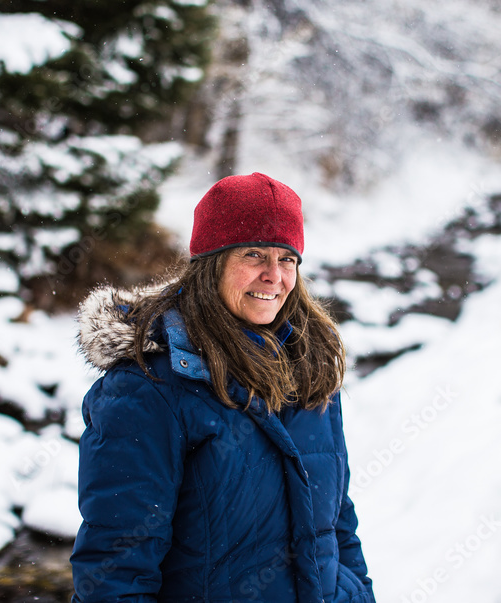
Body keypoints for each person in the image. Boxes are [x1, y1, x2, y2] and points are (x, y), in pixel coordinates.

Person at [70, 172, 376, 602]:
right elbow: (115, 570)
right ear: (211, 265)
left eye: (287, 258)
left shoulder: (311, 366)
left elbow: (337, 525)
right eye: (254, 255)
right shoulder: (150, 388)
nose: (274, 275)